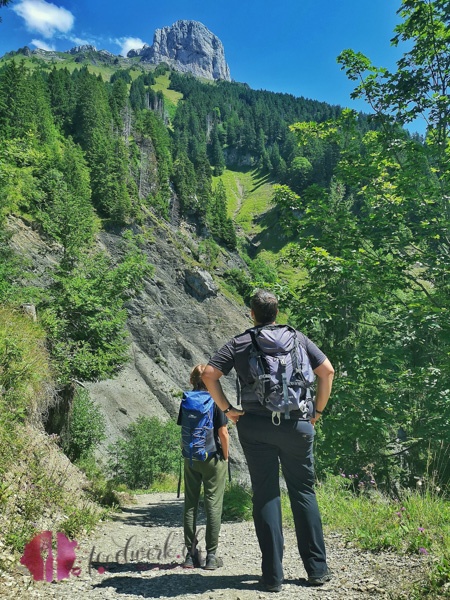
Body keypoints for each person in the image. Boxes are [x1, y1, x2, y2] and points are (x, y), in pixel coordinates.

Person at [202, 289, 334, 592]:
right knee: (303, 491)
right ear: (276, 313)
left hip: (256, 427)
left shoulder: (241, 342)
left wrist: (227, 409)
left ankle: (272, 577)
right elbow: (326, 372)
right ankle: (317, 570)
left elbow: (210, 374)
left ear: (252, 314)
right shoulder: (298, 339)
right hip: (298, 424)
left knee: (266, 493)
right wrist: (317, 411)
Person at [178, 363, 229, 570]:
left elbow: (184, 429)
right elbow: (223, 433)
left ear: (192, 380)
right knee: (213, 505)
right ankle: (211, 557)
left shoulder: (187, 400)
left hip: (191, 458)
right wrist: (225, 456)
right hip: (212, 457)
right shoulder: (215, 400)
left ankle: (190, 557)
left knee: (190, 504)